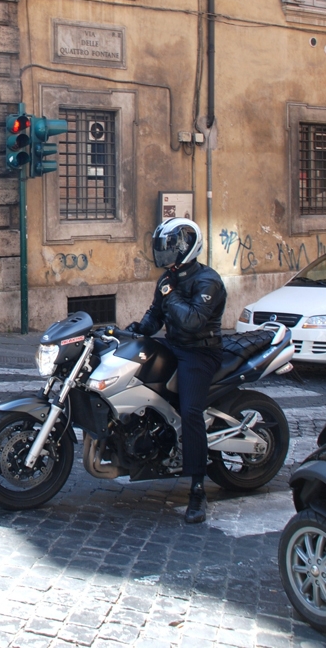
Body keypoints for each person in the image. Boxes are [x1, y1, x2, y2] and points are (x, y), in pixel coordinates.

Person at [127, 218, 226, 526]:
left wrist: (171, 295)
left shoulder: (208, 281)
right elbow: (155, 316)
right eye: (163, 250)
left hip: (200, 351)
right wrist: (135, 332)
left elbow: (194, 321)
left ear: (186, 248)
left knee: (191, 410)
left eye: (169, 249)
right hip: (173, 345)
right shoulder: (167, 280)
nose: (165, 256)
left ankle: (197, 488)